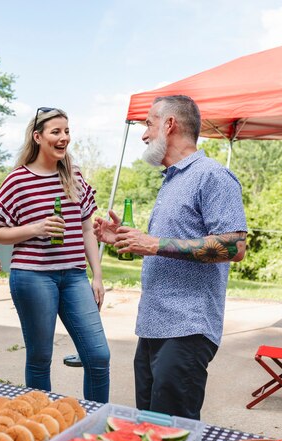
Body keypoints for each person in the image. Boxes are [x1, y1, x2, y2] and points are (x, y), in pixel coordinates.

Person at [94, 95, 247, 420]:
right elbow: (163, 247)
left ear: (169, 124)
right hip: (153, 326)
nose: (144, 134)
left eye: (149, 124)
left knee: (172, 437)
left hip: (186, 329)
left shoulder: (212, 176)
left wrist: (153, 243)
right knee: (149, 431)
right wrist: (125, 238)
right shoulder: (172, 180)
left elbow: (235, 247)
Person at [0, 107, 110, 403]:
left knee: (98, 355)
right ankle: (41, 420)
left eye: (67, 131)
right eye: (56, 131)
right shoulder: (18, 180)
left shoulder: (74, 176)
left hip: (74, 276)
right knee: (40, 357)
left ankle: (93, 423)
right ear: (38, 136)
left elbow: (86, 230)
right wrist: (35, 228)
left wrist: (97, 276)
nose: (63, 137)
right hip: (32, 277)